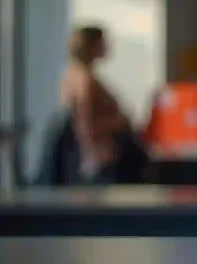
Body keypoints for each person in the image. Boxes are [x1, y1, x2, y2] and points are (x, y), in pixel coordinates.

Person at [58, 24, 147, 183]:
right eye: (103, 42)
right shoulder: (84, 80)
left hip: (103, 149)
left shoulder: (75, 74)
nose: (108, 46)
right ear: (91, 45)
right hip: (102, 152)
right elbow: (84, 121)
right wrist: (91, 152)